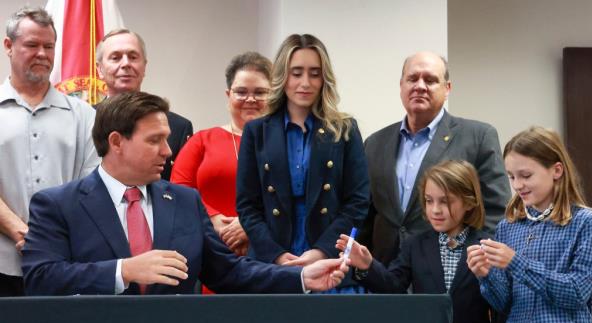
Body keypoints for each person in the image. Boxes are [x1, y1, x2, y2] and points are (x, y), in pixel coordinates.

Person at [21, 91, 347, 295]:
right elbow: (41, 278)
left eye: (166, 139)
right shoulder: (58, 205)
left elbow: (230, 272)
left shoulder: (185, 201)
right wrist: (124, 270)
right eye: (154, 140)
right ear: (116, 142)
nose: (167, 151)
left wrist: (301, 277)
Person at [236, 34, 369, 292]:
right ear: (282, 77)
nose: (305, 83)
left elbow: (358, 202)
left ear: (324, 78)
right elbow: (247, 205)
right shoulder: (256, 131)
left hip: (329, 257)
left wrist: (322, 251)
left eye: (314, 73)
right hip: (271, 259)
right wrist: (276, 255)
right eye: (296, 73)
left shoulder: (344, 129)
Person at [359, 51, 511, 266]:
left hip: (450, 272)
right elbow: (366, 215)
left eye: (430, 80)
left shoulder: (478, 137)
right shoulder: (374, 143)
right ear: (401, 85)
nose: (420, 86)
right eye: (412, 78)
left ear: (447, 88)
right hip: (386, 273)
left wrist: (474, 264)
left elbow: (496, 212)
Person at [337, 160, 496, 323]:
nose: (435, 209)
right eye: (429, 201)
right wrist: (368, 265)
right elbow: (393, 287)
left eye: (445, 201)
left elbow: (499, 303)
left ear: (469, 202)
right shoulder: (415, 244)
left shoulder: (486, 246)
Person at [467, 127, 592, 323]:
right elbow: (504, 303)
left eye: (526, 175)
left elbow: (577, 292)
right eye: (511, 177)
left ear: (557, 170)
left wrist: (516, 262)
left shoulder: (586, 221)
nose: (517, 185)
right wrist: (486, 274)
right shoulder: (507, 227)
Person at [0, 6, 99, 296]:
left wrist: (51, 239)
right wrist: (22, 232)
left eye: (49, 46)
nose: (42, 54)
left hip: (65, 263)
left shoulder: (83, 115)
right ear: (9, 46)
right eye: (32, 45)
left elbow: (91, 184)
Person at [172, 52, 271, 257]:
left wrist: (250, 225)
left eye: (260, 92)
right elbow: (178, 190)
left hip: (268, 251)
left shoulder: (288, 143)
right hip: (211, 248)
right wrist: (214, 220)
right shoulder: (202, 140)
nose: (250, 99)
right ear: (228, 95)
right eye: (241, 92)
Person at [95, 28, 193, 181]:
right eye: (116, 58)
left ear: (144, 66)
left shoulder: (178, 127)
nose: (126, 63)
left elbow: (179, 192)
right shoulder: (82, 121)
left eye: (133, 57)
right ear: (99, 69)